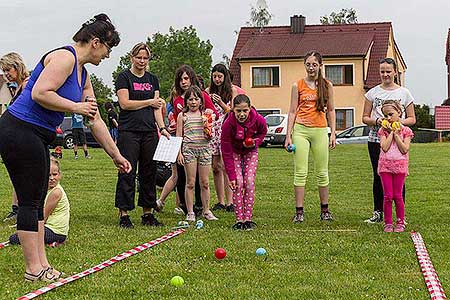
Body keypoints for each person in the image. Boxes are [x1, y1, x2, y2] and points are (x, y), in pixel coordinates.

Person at [0, 13, 131, 282]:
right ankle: (33, 268)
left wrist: (116, 154)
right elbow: (40, 93)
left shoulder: (83, 76)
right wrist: (75, 107)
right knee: (30, 201)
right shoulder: (65, 58)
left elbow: (94, 119)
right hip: (19, 129)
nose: (107, 55)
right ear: (95, 42)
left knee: (36, 201)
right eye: (108, 48)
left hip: (35, 134)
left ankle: (41, 265)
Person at [114, 42, 169, 228]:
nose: (142, 61)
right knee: (127, 170)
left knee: (149, 172)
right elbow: (125, 103)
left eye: (145, 58)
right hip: (128, 131)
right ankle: (124, 213)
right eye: (139, 57)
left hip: (149, 132)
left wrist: (162, 128)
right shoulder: (124, 77)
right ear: (132, 58)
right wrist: (148, 101)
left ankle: (148, 213)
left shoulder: (152, 79)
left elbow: (157, 108)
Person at [284, 51, 336, 223]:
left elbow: (331, 110)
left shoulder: (327, 85)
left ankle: (325, 210)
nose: (311, 68)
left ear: (320, 65)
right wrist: (288, 135)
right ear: (304, 65)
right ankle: (299, 212)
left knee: (322, 172)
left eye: (314, 64)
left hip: (320, 130)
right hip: (301, 130)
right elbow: (292, 111)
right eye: (308, 64)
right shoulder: (297, 85)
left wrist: (333, 133)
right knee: (300, 172)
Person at [362, 57, 416, 223]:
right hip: (376, 138)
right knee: (379, 175)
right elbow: (365, 117)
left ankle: (401, 216)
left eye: (388, 71)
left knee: (399, 173)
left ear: (394, 72)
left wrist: (398, 123)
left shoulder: (404, 93)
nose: (385, 74)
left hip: (398, 140)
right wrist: (378, 121)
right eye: (382, 71)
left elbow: (412, 118)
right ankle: (378, 212)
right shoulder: (372, 93)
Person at [172, 65, 218, 214]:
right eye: (181, 79)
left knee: (204, 182)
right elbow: (178, 130)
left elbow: (214, 115)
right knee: (187, 181)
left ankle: (205, 209)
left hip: (203, 148)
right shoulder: (178, 103)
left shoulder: (203, 97)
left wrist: (210, 117)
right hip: (188, 148)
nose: (183, 82)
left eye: (186, 78)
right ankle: (187, 209)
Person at [221, 94, 267, 230]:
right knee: (237, 183)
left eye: (245, 111)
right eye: (238, 111)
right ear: (233, 110)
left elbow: (262, 133)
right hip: (234, 152)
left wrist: (255, 142)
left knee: (249, 181)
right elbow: (226, 151)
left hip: (250, 151)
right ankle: (239, 219)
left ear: (249, 108)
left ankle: (248, 218)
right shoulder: (228, 124)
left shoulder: (258, 119)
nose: (242, 114)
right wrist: (231, 176)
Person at [206, 63, 245, 212]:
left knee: (226, 166)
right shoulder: (208, 91)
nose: (217, 79)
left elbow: (233, 111)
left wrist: (220, 102)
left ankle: (231, 201)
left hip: (226, 129)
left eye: (220, 76)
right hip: (212, 131)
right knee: (215, 166)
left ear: (225, 77)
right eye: (214, 76)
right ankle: (220, 201)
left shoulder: (232, 90)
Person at [9, 157, 70, 245]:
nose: (52, 178)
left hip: (55, 231)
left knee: (16, 238)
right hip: (46, 227)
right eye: (48, 175)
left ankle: (57, 240)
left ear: (60, 175)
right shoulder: (44, 188)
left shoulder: (56, 192)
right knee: (22, 233)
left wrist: (27, 227)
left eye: (55, 174)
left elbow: (43, 217)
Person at [0, 52, 29, 224]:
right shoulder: (16, 87)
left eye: (7, 70)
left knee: (24, 174)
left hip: (24, 136)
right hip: (13, 136)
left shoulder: (27, 85)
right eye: (3, 71)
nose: (5, 74)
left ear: (17, 66)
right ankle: (16, 208)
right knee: (16, 173)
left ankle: (24, 209)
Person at [377, 100, 413, 232]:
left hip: (400, 167)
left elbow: (404, 149)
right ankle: (388, 222)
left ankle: (400, 221)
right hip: (385, 167)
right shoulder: (382, 131)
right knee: (387, 196)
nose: (388, 118)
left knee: (398, 195)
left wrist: (397, 135)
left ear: (399, 113)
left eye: (391, 114)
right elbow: (384, 147)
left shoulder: (406, 131)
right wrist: (391, 132)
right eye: (385, 115)